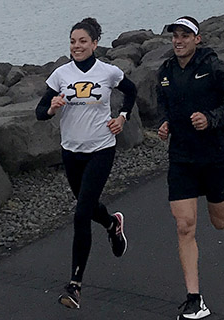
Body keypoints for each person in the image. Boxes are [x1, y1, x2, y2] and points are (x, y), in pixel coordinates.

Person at [35, 17, 138, 310]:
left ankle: (75, 286)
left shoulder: (108, 72)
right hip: (71, 152)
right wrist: (52, 108)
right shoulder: (60, 75)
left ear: (94, 44)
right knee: (87, 205)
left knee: (81, 214)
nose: (76, 46)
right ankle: (112, 223)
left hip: (101, 149)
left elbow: (130, 92)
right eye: (72, 41)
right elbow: (40, 112)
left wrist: (122, 117)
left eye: (82, 41)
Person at [156, 16, 224, 320]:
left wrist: (211, 119)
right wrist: (164, 123)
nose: (178, 41)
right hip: (181, 159)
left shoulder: (214, 67)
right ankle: (195, 299)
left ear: (197, 39)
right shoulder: (165, 72)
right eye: (174, 36)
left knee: (218, 222)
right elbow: (162, 104)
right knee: (184, 226)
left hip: (213, 156)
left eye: (184, 36)